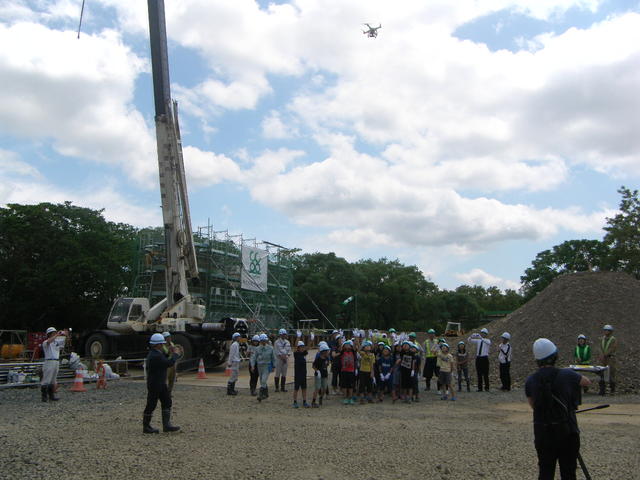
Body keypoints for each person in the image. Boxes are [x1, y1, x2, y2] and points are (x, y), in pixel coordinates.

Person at [525, 338, 590, 480]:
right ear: (555, 356)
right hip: (567, 431)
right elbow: (586, 381)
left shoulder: (530, 380)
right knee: (568, 472)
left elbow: (533, 405)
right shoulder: (567, 374)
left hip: (542, 432)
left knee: (545, 472)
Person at [143, 333, 180, 434]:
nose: (164, 345)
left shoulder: (155, 353)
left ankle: (166, 425)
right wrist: (175, 354)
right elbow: (168, 363)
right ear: (158, 345)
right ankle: (146, 426)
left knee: (167, 401)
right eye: (162, 344)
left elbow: (164, 358)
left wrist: (169, 353)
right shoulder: (155, 355)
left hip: (159, 383)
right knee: (151, 404)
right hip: (155, 384)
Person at [40, 327, 66, 402]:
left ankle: (51, 395)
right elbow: (49, 341)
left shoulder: (56, 343)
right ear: (49, 334)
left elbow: (63, 345)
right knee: (46, 380)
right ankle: (44, 397)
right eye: (53, 333)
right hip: (49, 361)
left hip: (56, 361)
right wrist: (57, 335)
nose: (55, 334)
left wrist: (65, 335)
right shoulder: (45, 342)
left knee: (53, 380)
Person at [251, 333, 277, 402]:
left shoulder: (270, 348)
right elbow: (253, 357)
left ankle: (260, 395)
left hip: (267, 366)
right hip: (259, 366)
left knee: (263, 380)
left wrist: (274, 366)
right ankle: (266, 394)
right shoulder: (257, 349)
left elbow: (273, 358)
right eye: (262, 341)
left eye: (264, 340)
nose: (263, 342)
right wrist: (252, 365)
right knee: (262, 380)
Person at [598, 325, 617, 395]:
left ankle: (612, 390)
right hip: (603, 359)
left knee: (611, 374)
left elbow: (612, 348)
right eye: (605, 330)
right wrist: (601, 355)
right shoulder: (602, 339)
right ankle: (602, 390)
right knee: (602, 374)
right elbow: (600, 347)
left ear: (610, 332)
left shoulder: (613, 339)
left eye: (607, 330)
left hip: (610, 358)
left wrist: (605, 354)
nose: (606, 332)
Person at [292, 341, 310, 408]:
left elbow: (308, 348)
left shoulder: (303, 354)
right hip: (298, 374)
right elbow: (295, 347)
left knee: (304, 388)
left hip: (304, 374)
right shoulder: (296, 354)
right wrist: (298, 338)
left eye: (303, 347)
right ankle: (295, 402)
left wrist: (311, 339)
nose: (303, 348)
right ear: (298, 348)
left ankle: (304, 401)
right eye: (301, 347)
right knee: (296, 388)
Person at [274, 328, 291, 392]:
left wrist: (286, 357)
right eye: (282, 334)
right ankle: (277, 387)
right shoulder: (276, 342)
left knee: (284, 374)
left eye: (284, 334)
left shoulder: (287, 342)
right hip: (279, 359)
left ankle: (283, 387)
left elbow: (289, 351)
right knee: (277, 373)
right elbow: (276, 351)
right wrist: (282, 357)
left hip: (285, 359)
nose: (284, 336)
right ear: (280, 335)